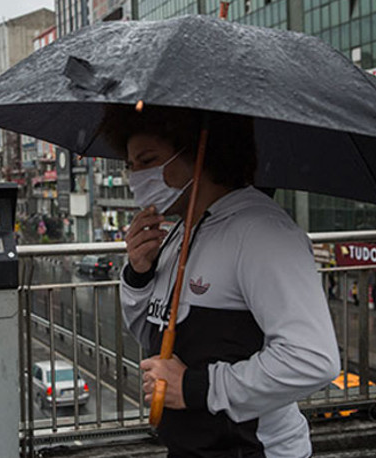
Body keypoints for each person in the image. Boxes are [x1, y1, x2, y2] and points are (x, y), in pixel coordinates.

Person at [104, 106, 340, 458]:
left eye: (147, 160)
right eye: (131, 166)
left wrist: (198, 387)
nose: (135, 177)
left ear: (201, 153)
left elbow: (312, 359)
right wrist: (139, 275)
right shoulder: (177, 234)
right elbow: (152, 337)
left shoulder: (261, 232)